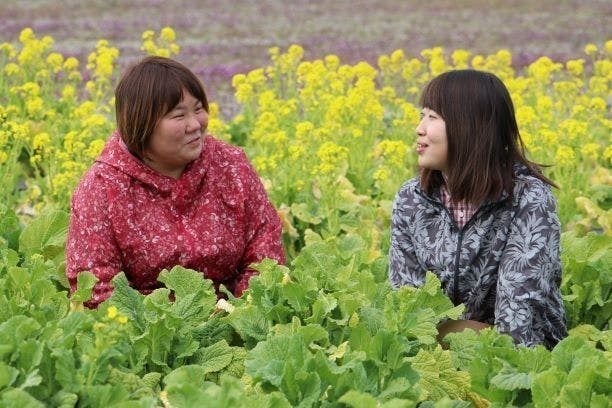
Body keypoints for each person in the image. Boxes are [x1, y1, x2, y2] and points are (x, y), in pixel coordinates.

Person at [66, 56, 285, 308]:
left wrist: (241, 311)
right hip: (148, 326)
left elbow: (265, 252)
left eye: (198, 109)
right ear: (142, 124)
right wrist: (166, 323)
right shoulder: (102, 187)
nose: (195, 124)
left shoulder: (230, 165)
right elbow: (96, 290)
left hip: (236, 317)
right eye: (179, 115)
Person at [388, 69, 567, 349]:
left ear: (469, 126)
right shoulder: (412, 199)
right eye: (422, 116)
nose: (419, 128)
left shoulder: (527, 198)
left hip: (520, 356)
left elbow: (518, 313)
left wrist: (463, 341)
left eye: (432, 117)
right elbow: (407, 305)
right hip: (437, 351)